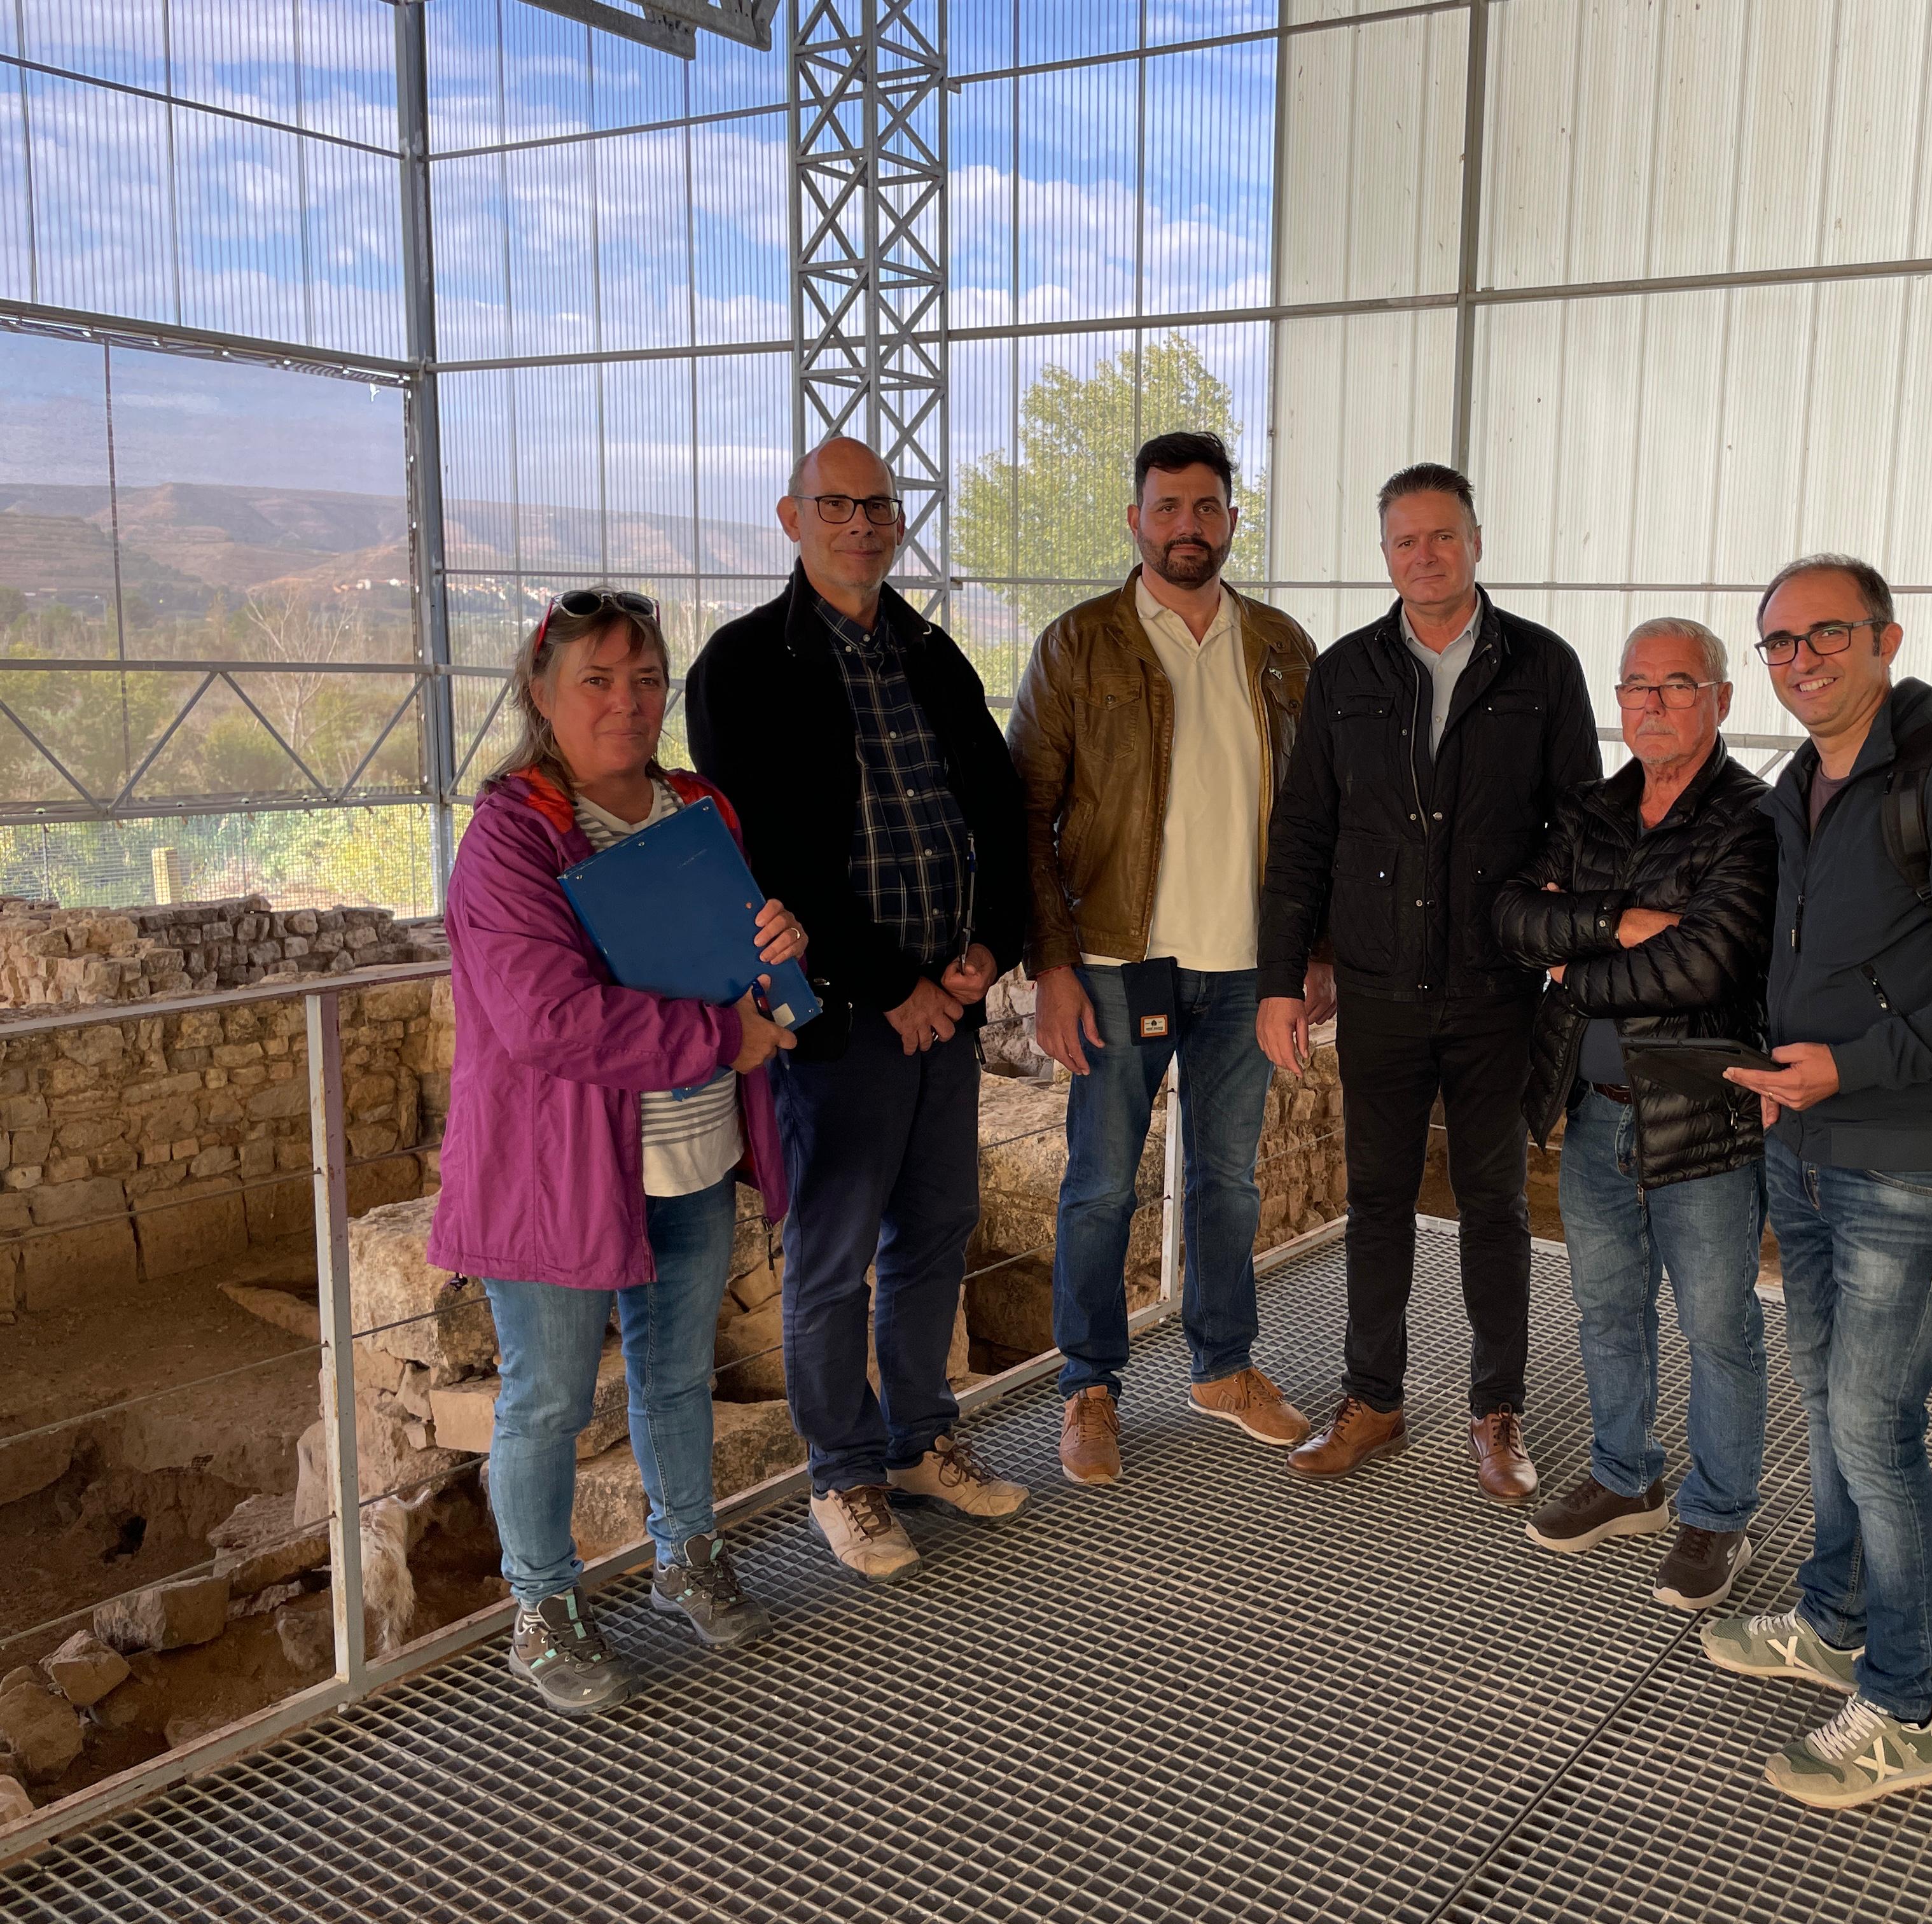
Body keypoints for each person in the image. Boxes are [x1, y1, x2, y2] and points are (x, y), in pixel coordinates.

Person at [1704, 554, 1932, 1809]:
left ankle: (1906, 1711)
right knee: (1829, 1403)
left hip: (1910, 1160)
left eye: (1825, 635)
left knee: (1876, 1430)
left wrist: (1850, 1067)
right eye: (1779, 644)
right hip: (1805, 1150)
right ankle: (1831, 1618)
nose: (1800, 660)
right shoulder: (1802, 783)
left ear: (1886, 638)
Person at [431, 586, 804, 1715]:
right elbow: (546, 1018)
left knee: (677, 1376)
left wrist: (782, 947)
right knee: (546, 1399)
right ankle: (543, 1610)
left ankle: (688, 1550)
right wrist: (722, 1033)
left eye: (645, 678)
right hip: (558, 1168)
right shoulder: (511, 833)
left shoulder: (699, 807)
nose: (627, 702)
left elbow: (742, 954)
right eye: (596, 679)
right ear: (542, 695)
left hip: (688, 1152)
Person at [685, 436, 1032, 1584]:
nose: (862, 524)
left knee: (936, 1228)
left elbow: (994, 807)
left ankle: (922, 1437)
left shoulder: (929, 653)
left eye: (879, 505)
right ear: (792, 517)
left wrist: (991, 949)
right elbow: (772, 853)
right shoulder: (744, 665)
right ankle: (844, 1474)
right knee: (832, 1256)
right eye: (837, 505)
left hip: (949, 1006)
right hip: (843, 1021)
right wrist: (897, 988)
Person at [1257, 463, 1601, 1502]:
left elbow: (1579, 822)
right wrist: (1287, 975)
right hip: (1375, 986)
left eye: (1442, 537)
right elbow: (1306, 830)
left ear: (1477, 541)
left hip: (1497, 990)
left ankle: (1496, 1412)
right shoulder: (1348, 671)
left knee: (1497, 1203)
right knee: (1376, 1200)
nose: (1425, 556)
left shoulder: (1542, 667)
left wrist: (1545, 928)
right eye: (1405, 541)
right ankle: (1375, 1398)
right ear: (1386, 553)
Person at [1008, 431, 1328, 1485]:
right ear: (1136, 520)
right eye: (1167, 507)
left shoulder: (1280, 647)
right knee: (1101, 1183)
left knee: (1229, 1180)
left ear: (1233, 519)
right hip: (1115, 959)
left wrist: (1311, 953)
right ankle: (1089, 1386)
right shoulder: (1078, 645)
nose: (1187, 525)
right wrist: (1051, 967)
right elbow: (1029, 814)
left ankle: (1223, 1368)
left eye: (1206, 507)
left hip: (1248, 967)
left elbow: (1327, 816)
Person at [1492, 617, 1776, 1608]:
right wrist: (1617, 920)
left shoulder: (1751, 817)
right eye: (1635, 688)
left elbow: (1714, 960)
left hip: (1701, 1107)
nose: (1651, 705)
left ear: (1722, 699)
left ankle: (1717, 1515)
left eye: (1677, 686)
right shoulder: (1592, 808)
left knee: (1716, 1322)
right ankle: (1628, 1475)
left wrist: (1581, 960)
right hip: (1595, 1105)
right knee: (1608, 1309)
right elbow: (1514, 917)